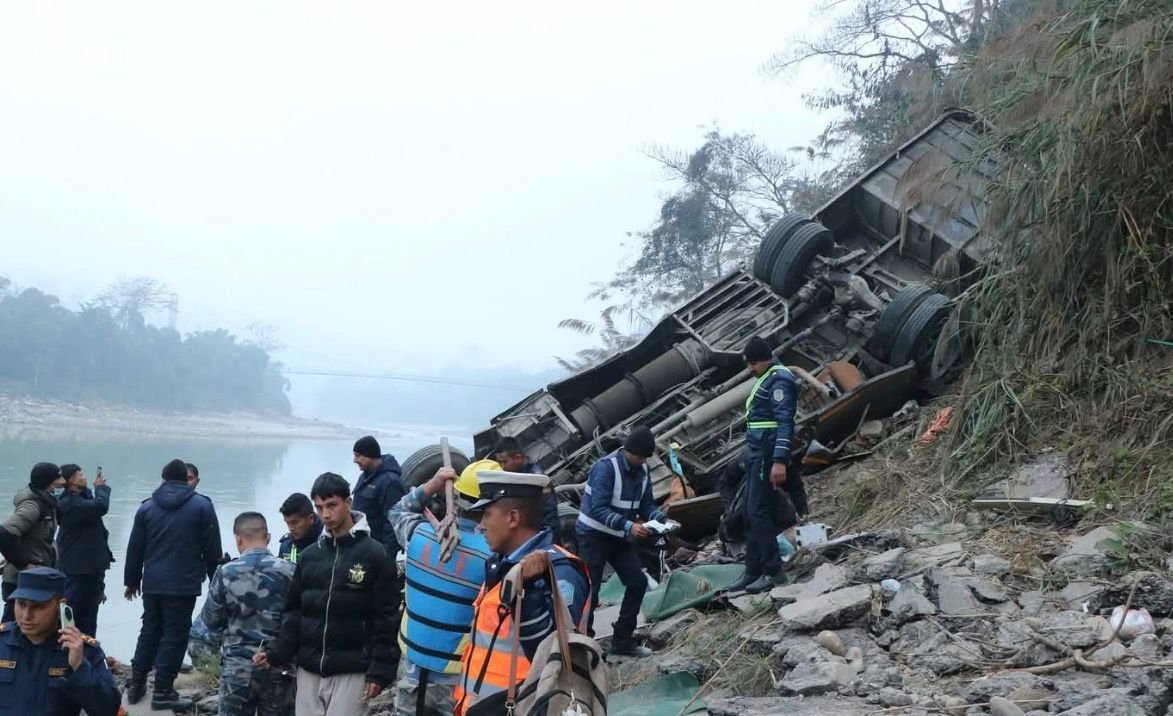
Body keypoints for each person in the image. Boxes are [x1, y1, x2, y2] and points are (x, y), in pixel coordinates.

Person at [254, 472, 399, 716]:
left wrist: (380, 670)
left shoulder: (375, 555)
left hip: (352, 670)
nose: (326, 515)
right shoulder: (310, 556)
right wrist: (277, 652)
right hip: (308, 668)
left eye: (332, 505)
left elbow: (387, 617)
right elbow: (294, 611)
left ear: (348, 503)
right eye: (320, 507)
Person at [453, 471, 590, 715]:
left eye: (486, 515)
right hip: (483, 706)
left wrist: (533, 595)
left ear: (513, 518)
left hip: (524, 707)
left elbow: (556, 654)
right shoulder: (503, 564)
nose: (481, 525)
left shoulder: (558, 572)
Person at [389, 460, 495, 716]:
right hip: (456, 682)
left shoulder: (420, 535)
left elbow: (397, 511)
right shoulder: (493, 559)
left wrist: (432, 485)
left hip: (411, 674)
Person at [124, 458, 223, 710]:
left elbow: (135, 548)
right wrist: (217, 581)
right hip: (183, 583)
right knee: (176, 635)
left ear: (164, 478)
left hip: (153, 583)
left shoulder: (146, 508)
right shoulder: (202, 506)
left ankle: (136, 686)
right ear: (186, 479)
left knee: (150, 630)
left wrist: (132, 580)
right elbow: (212, 549)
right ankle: (163, 692)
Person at [575, 426, 676, 657]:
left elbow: (645, 504)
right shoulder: (605, 468)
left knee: (637, 582)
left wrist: (659, 518)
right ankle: (584, 646)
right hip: (593, 536)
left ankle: (622, 640)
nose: (640, 461)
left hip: (618, 538)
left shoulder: (642, 471)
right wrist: (629, 526)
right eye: (637, 456)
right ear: (627, 450)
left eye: (644, 458)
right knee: (590, 591)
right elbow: (598, 508)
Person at [199, 512, 296, 716]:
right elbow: (298, 621)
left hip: (237, 669)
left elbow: (211, 620)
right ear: (268, 537)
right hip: (279, 667)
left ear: (238, 538)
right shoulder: (290, 571)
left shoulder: (225, 572)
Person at [726, 336, 800, 594]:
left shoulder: (779, 380)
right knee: (749, 513)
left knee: (759, 512)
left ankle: (773, 571)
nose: (750, 368)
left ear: (763, 359)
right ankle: (753, 570)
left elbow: (785, 423)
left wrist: (779, 461)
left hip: (768, 456)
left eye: (753, 363)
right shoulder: (766, 379)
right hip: (758, 454)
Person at [0, 566, 121, 715]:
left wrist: (79, 666)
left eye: (38, 607)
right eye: (21, 604)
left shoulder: (82, 650)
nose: (26, 615)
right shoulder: (2, 642)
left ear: (60, 606)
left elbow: (108, 710)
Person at [0, 462, 65, 624]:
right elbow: (4, 533)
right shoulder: (33, 506)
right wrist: (23, 563)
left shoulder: (48, 503)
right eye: (59, 478)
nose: (63, 482)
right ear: (48, 482)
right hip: (21, 580)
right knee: (12, 626)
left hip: (39, 576)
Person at [55, 464, 114, 638]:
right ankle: (69, 649)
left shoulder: (80, 498)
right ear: (71, 480)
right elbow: (100, 506)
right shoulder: (69, 503)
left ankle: (88, 650)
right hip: (77, 568)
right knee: (75, 612)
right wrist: (101, 489)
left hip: (90, 567)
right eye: (80, 473)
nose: (84, 475)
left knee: (89, 612)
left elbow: (92, 504)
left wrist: (92, 489)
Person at [351, 435, 406, 559]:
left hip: (377, 551)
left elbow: (393, 521)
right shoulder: (365, 476)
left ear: (369, 455)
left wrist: (386, 557)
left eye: (358, 456)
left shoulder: (391, 483)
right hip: (360, 546)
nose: (354, 460)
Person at [494, 437, 560, 540]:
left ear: (518, 457)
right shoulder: (515, 475)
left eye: (505, 462)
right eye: (500, 463)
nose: (502, 467)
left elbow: (549, 514)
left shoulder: (538, 480)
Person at [277, 492, 323, 564]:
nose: (290, 528)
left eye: (294, 522)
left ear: (311, 519)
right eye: (287, 523)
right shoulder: (285, 546)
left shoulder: (328, 543)